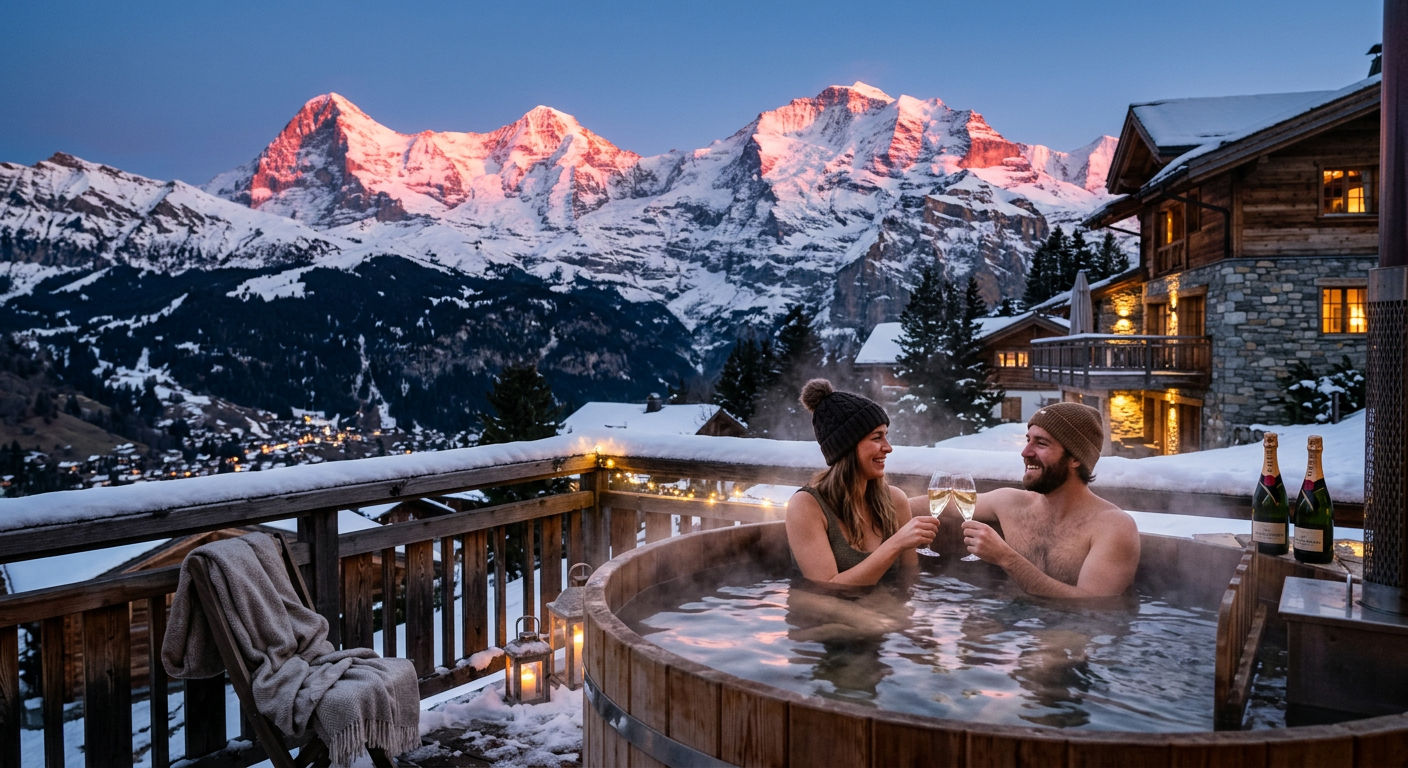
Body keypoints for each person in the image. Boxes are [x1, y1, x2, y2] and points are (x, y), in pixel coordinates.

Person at [922, 402, 1140, 599]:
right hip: (1011, 617)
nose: (1025, 452)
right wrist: (900, 514)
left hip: (1073, 626)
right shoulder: (1010, 503)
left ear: (1075, 458)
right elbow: (937, 503)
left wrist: (1006, 557)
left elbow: (1095, 606)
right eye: (1028, 441)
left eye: (1041, 443)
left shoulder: (1112, 526)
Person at [786, 379, 940, 586]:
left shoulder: (895, 500)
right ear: (847, 447)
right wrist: (896, 544)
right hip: (826, 607)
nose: (888, 448)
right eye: (877, 438)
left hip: (885, 604)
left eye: (886, 436)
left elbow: (909, 577)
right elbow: (827, 587)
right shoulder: (807, 506)